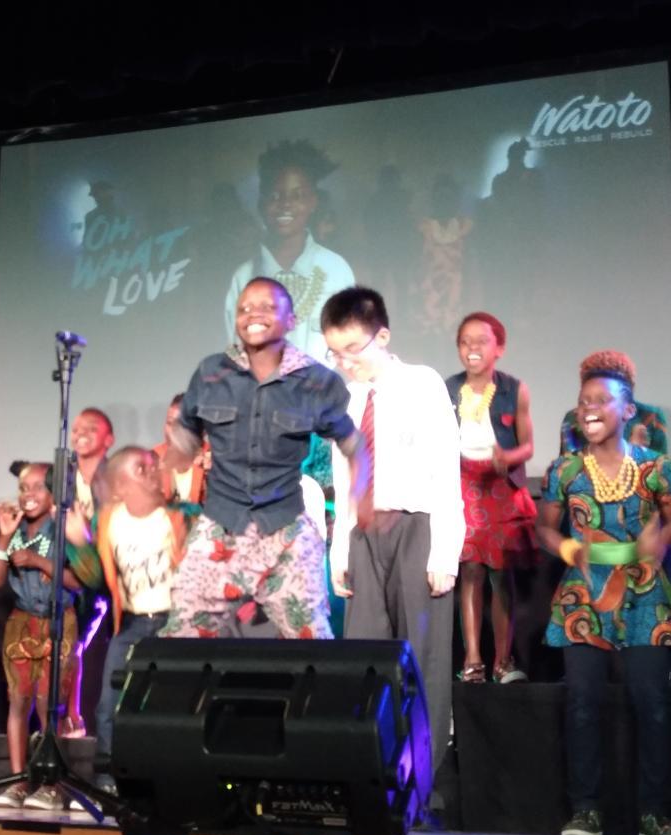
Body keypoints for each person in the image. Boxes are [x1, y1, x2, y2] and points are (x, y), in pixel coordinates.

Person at [537, 351, 671, 835]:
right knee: (582, 703)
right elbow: (544, 528)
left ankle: (654, 815)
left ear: (627, 410)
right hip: (584, 594)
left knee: (653, 703)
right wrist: (567, 547)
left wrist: (660, 541)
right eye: (584, 401)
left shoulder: (654, 468)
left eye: (602, 400)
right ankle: (585, 811)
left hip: (644, 593)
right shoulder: (565, 470)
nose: (590, 408)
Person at [161, 277, 364, 641]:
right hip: (221, 525)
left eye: (267, 306)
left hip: (284, 527)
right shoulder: (211, 373)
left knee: (313, 644)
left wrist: (362, 496)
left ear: (292, 320)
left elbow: (352, 443)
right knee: (180, 639)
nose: (253, 313)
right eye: (244, 308)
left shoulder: (316, 382)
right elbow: (184, 435)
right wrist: (169, 465)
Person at [324, 287, 464, 784]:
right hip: (365, 534)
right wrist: (340, 549)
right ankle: (371, 775)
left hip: (415, 527)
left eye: (352, 350)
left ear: (381, 337)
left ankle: (424, 782)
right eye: (335, 353)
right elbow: (344, 479)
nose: (344, 363)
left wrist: (444, 552)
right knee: (363, 657)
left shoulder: (421, 384)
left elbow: (446, 470)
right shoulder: (345, 399)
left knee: (422, 658)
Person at [0, 461, 98, 810]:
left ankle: (54, 784)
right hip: (22, 621)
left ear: (53, 493)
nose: (29, 494)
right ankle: (18, 780)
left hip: (58, 620)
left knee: (49, 703)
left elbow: (78, 581)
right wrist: (3, 537)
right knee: (18, 700)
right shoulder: (16, 529)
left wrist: (38, 561)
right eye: (23, 488)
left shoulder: (61, 528)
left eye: (38, 487)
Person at [444, 312, 537, 683]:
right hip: (463, 484)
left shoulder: (514, 390)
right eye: (465, 342)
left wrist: (508, 457)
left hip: (499, 486)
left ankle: (503, 661)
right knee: (470, 570)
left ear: (499, 347)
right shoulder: (448, 389)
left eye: (481, 341)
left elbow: (527, 446)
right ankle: (472, 660)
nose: (472, 348)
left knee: (501, 573)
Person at [89, 446, 187, 793]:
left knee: (171, 705)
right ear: (119, 485)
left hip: (173, 622)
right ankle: (106, 781)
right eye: (139, 468)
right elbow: (93, 574)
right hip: (131, 624)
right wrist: (75, 542)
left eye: (151, 466)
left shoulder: (178, 517)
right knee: (109, 704)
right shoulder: (109, 520)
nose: (151, 472)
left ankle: (171, 782)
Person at [224, 141, 355, 360]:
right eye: (275, 196)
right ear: (261, 203)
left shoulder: (335, 269)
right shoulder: (243, 277)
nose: (285, 204)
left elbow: (350, 346)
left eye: (297, 196)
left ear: (313, 202)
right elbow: (235, 352)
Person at [66, 407, 115, 736]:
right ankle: (69, 716)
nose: (81, 432)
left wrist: (87, 537)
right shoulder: (63, 478)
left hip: (108, 573)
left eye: (91, 427)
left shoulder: (115, 478)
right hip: (70, 573)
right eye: (77, 427)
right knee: (68, 646)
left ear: (109, 439)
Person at [153, 393, 207, 508]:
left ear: (203, 431)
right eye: (169, 423)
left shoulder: (214, 461)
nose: (173, 432)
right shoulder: (152, 460)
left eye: (181, 426)